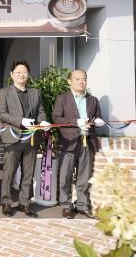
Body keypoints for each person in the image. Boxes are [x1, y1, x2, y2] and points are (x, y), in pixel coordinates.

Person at [0, 60, 49, 218]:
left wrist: (42, 122)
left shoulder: (35, 92)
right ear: (11, 74)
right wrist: (20, 121)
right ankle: (6, 203)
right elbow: (2, 114)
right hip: (13, 137)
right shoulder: (4, 92)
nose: (21, 74)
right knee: (9, 172)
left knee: (28, 173)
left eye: (24, 72)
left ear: (28, 74)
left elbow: (41, 111)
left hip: (31, 138)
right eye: (18, 72)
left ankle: (24, 203)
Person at [52, 69, 105, 219]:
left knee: (84, 176)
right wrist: (76, 122)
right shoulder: (62, 98)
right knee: (65, 176)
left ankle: (82, 205)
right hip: (68, 142)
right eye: (77, 79)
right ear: (69, 81)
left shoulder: (93, 100)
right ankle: (66, 205)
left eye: (84, 79)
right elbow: (56, 118)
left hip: (87, 142)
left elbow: (99, 117)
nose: (81, 82)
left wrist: (97, 122)